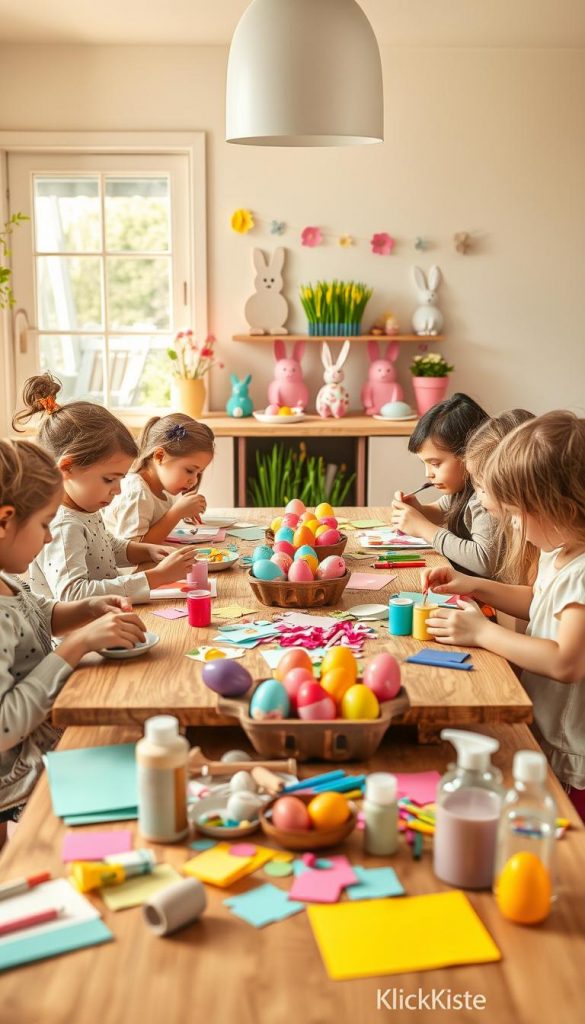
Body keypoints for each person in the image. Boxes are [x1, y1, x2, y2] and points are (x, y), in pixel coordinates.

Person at [424, 412, 585, 819]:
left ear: (557, 506)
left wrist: (482, 634)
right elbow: (537, 602)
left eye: (515, 513)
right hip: (547, 729)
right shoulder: (560, 552)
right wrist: (472, 585)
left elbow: (566, 661)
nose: (511, 523)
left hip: (572, 751)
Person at [0, 439, 146, 846]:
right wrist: (75, 646)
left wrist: (86, 610)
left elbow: (38, 612)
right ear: (5, 521)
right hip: (18, 775)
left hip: (44, 743)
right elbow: (4, 726)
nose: (49, 538)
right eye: (46, 523)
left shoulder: (7, 579)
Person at [12, 374, 196, 602]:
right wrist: (155, 577)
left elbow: (105, 546)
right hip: (80, 634)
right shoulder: (62, 525)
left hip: (106, 620)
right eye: (109, 479)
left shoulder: (84, 508)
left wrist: (147, 551)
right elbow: (72, 594)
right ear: (67, 468)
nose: (117, 490)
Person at [390, 392, 496, 575]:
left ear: (469, 453)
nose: (428, 474)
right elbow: (443, 510)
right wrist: (419, 511)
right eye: (424, 464)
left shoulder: (486, 498)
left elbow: (484, 560)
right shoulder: (461, 488)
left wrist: (424, 529)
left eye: (435, 464)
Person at [104, 413, 214, 544]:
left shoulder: (162, 492)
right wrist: (176, 513)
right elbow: (132, 551)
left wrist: (184, 512)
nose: (194, 480)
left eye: (198, 473)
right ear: (160, 456)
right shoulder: (137, 493)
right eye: (190, 470)